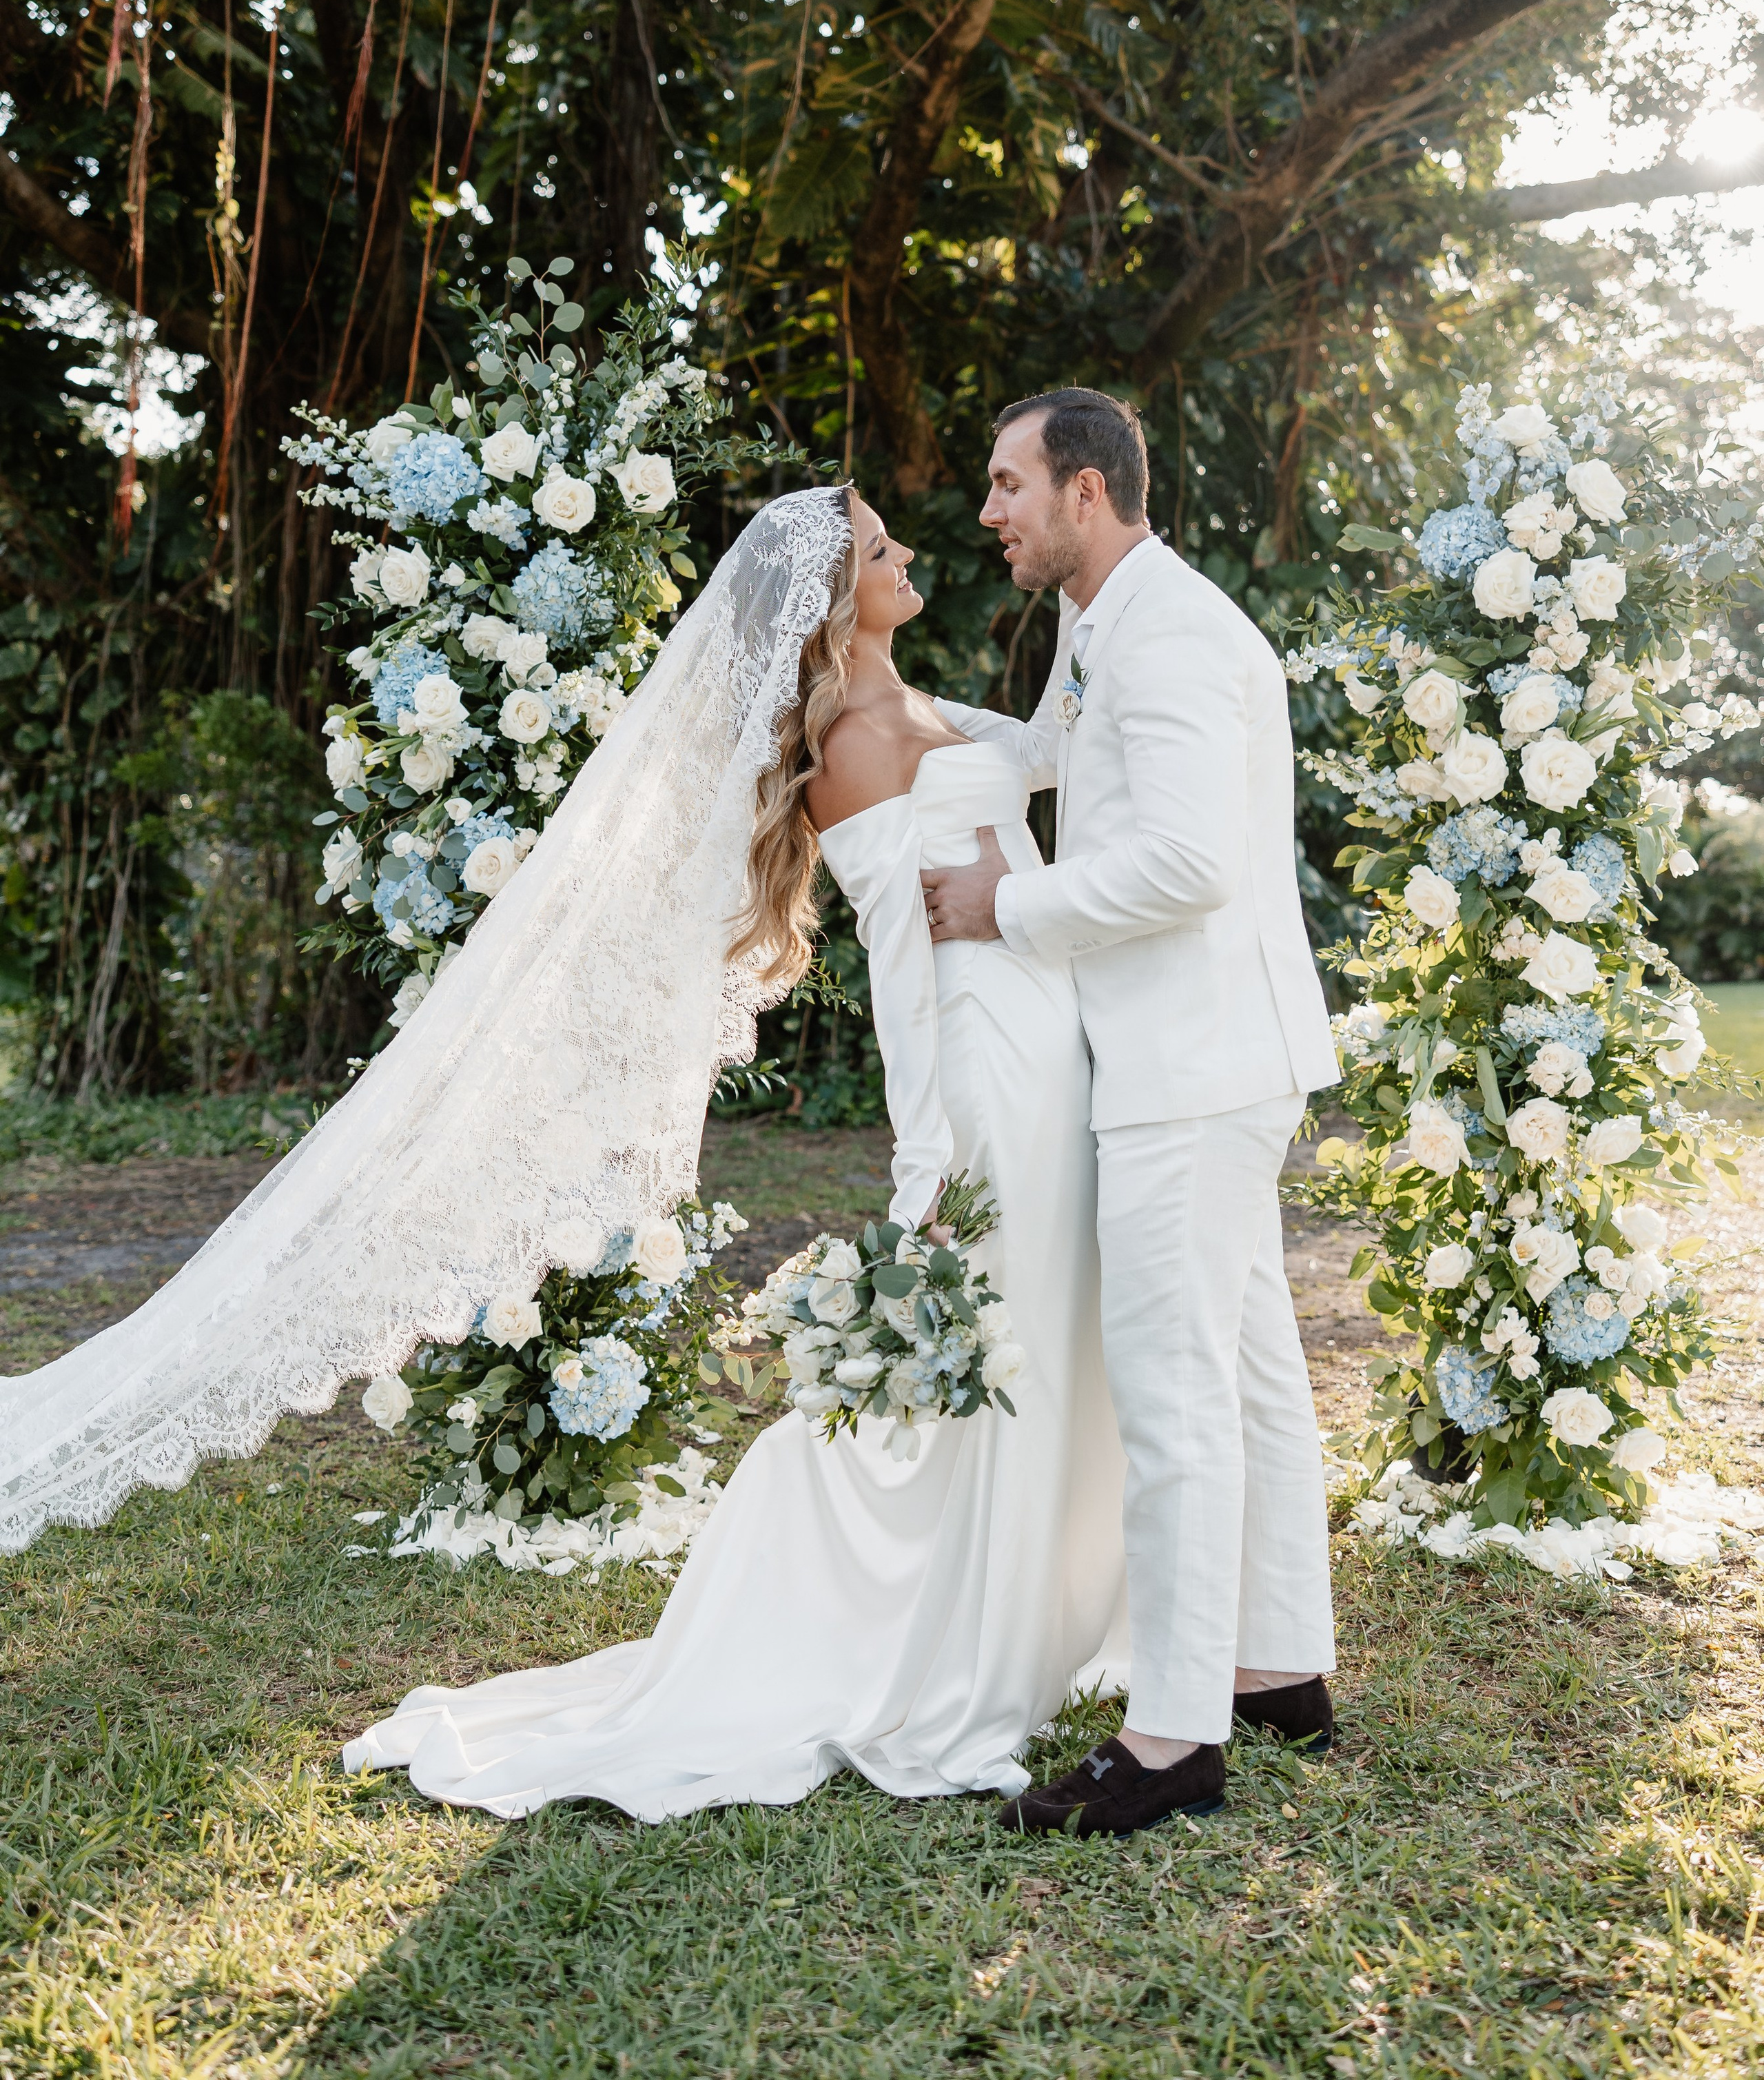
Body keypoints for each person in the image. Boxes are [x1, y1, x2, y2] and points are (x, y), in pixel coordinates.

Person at [340, 485, 1129, 1818]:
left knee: (1060, 1328)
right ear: (836, 600)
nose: (912, 554)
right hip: (989, 1062)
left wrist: (1088, 599)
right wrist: (925, 1158)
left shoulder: (918, 704)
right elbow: (904, 963)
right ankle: (933, 1634)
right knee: (1009, 1336)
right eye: (884, 552)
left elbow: (1052, 748)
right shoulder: (856, 738)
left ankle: (1048, 1610)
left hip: (1054, 1033)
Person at [922, 388, 1342, 1837]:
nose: (990, 512)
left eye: (1005, 484)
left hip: (1190, 1062)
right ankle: (1277, 1663)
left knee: (1171, 1392)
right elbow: (1050, 752)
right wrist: (905, 717)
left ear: (1084, 490)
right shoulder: (1105, 618)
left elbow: (1182, 863)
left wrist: (1003, 903)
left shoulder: (1166, 634)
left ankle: (1169, 1739)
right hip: (1214, 1053)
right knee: (1245, 1365)